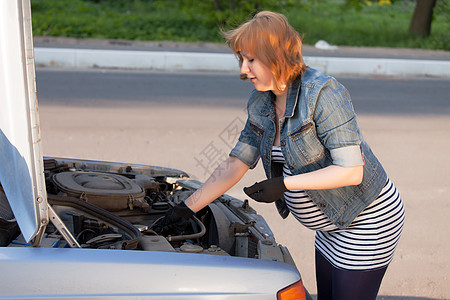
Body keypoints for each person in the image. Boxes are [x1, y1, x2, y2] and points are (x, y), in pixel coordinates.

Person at [155, 11, 405, 300]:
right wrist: (187, 208)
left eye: (251, 60)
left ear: (277, 56)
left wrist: (285, 185)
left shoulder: (323, 94)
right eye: (241, 60)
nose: (243, 70)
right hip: (329, 226)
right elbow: (237, 162)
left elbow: (351, 171)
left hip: (366, 221)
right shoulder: (262, 100)